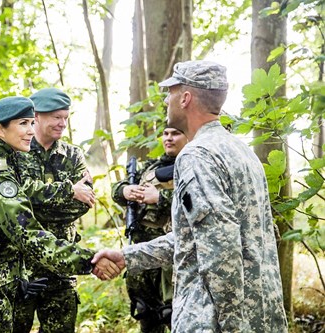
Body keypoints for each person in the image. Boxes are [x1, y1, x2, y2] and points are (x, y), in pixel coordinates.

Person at [92, 60, 288, 332]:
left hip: (212, 319)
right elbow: (198, 238)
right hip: (261, 313)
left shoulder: (197, 156)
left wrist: (232, 324)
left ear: (185, 98)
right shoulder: (242, 151)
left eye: (169, 93)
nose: (166, 101)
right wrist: (128, 257)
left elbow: (221, 249)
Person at [0, 96, 119, 332]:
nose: (30, 131)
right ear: (0, 129)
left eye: (31, 123)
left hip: (3, 285)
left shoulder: (12, 162)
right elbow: (28, 234)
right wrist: (89, 261)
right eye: (23, 123)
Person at [13, 88, 95, 333]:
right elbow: (12, 203)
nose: (62, 124)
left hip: (61, 261)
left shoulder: (73, 155)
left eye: (66, 118)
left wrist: (35, 204)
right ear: (36, 116)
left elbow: (82, 205)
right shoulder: (17, 151)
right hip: (21, 265)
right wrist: (69, 190)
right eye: (56, 117)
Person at [111, 126, 187, 333]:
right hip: (141, 255)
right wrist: (126, 190)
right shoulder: (150, 168)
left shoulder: (193, 166)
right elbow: (116, 190)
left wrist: (160, 198)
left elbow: (197, 203)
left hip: (173, 259)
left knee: (174, 315)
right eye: (166, 134)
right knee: (146, 315)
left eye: (175, 133)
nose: (169, 138)